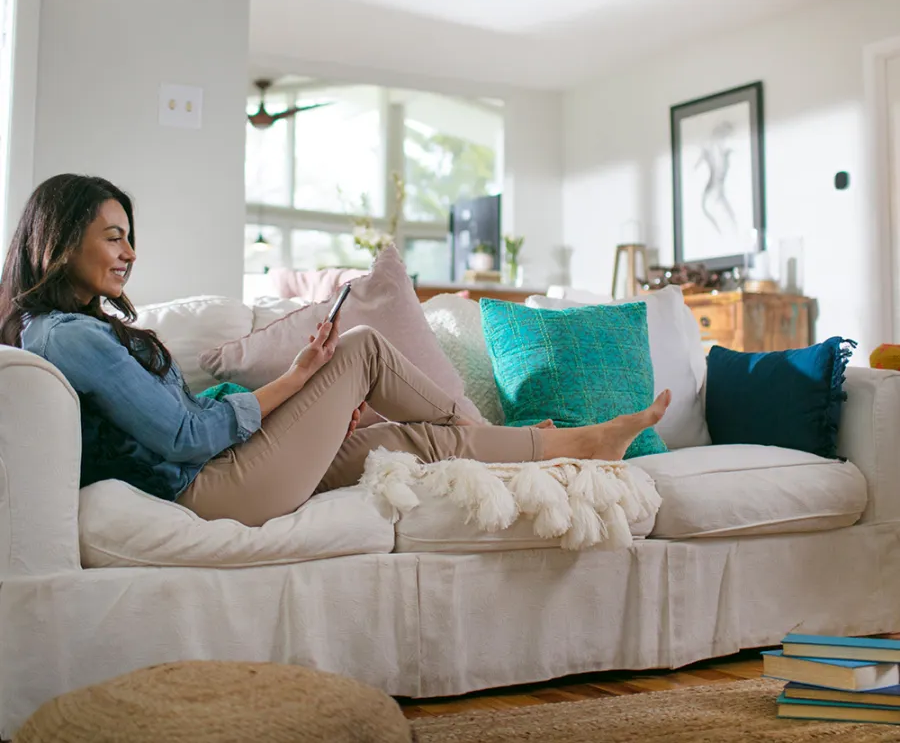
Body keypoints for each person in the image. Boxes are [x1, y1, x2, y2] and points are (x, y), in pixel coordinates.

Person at [0, 175, 671, 527]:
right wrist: (297, 386)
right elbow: (183, 434)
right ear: (59, 240)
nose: (130, 252)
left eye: (129, 236)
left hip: (229, 471)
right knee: (362, 351)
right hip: (210, 490)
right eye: (114, 237)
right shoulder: (69, 335)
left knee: (413, 442)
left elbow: (183, 412)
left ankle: (584, 445)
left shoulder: (66, 329)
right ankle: (486, 428)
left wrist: (297, 392)